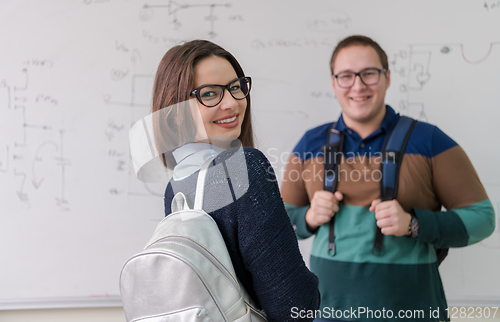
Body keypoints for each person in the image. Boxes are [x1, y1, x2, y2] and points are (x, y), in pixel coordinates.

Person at [281, 35, 496, 322]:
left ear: (387, 77)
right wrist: (308, 217)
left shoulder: (430, 141)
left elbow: (483, 219)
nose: (358, 85)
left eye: (369, 73)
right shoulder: (310, 144)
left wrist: (414, 224)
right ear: (334, 83)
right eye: (346, 76)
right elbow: (278, 225)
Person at [150, 39, 320, 321]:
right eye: (209, 94)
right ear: (175, 114)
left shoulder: (174, 189)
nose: (232, 102)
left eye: (235, 87)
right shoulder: (245, 168)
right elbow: (294, 306)